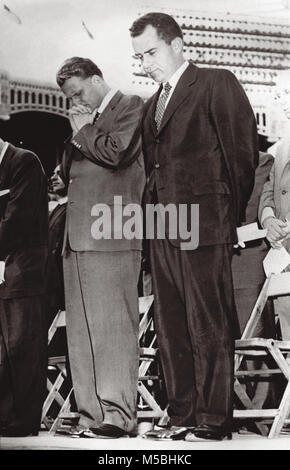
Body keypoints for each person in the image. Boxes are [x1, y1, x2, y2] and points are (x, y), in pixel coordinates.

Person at [130, 12, 259, 441]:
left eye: (151, 52)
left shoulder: (215, 83)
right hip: (161, 228)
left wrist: (226, 216)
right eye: (139, 56)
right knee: (171, 324)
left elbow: (241, 155)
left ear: (178, 44)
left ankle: (213, 420)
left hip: (204, 224)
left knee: (208, 323)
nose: (145, 63)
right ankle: (182, 413)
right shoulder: (151, 105)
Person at [56, 57, 145, 438]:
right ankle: (91, 413)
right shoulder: (84, 122)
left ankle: (119, 415)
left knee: (112, 329)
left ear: (96, 80)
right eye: (69, 97)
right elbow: (70, 171)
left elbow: (117, 153)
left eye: (78, 92)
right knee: (82, 332)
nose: (74, 102)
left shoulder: (130, 106)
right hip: (76, 239)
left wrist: (81, 130)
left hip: (112, 233)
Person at [0, 137, 49, 437]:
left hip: (23, 272)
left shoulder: (25, 162)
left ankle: (24, 420)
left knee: (22, 347)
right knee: (5, 351)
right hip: (7, 269)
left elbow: (16, 221)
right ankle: (6, 417)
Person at [259, 69, 290, 341]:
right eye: (279, 96)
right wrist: (269, 222)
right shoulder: (278, 150)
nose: (284, 102)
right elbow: (268, 193)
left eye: (288, 93)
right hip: (283, 259)